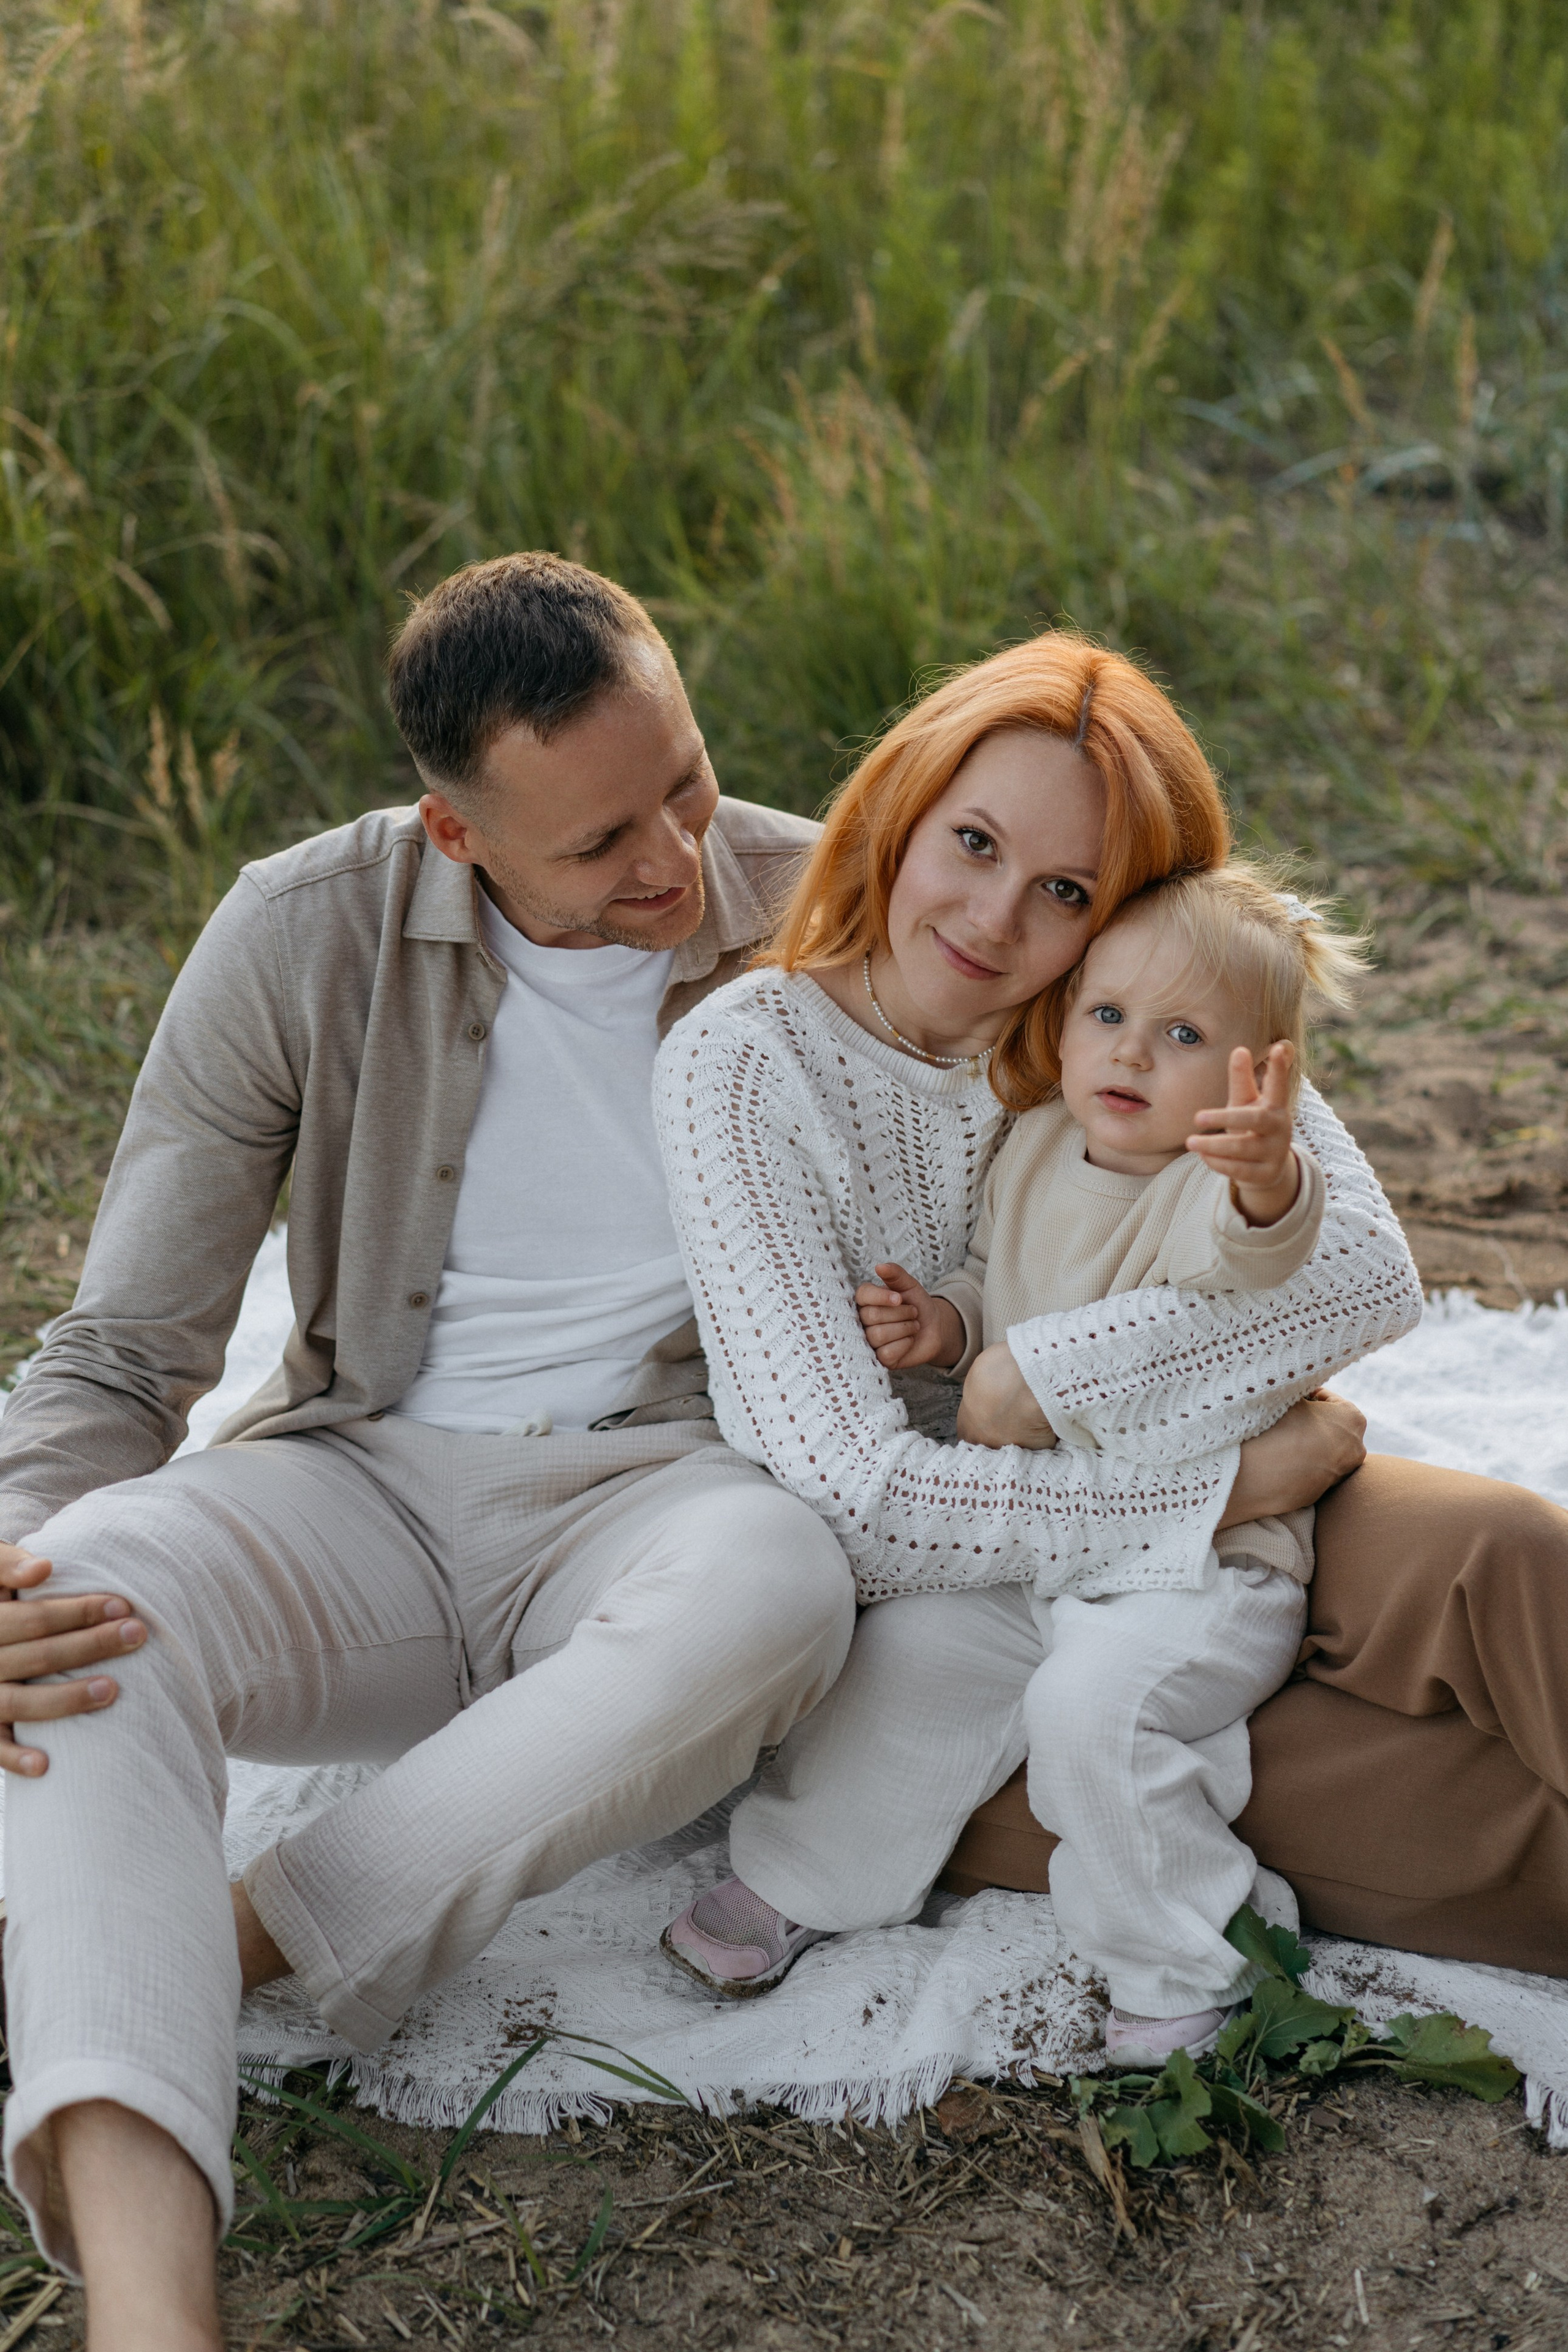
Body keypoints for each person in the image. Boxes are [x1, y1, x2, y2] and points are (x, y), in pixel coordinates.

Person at [0, 554, 861, 2351]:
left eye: (687, 782)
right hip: (362, 1486)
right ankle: (153, 2315)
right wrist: (6, 1560)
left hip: (665, 1499)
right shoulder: (299, 927)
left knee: (786, 1583)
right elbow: (127, 1345)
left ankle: (234, 1938)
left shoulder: (829, 915)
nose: (673, 863)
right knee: (75, 1605)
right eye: (600, 841)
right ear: (455, 837)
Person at [649, 629, 1568, 2005]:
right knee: (1133, 1745)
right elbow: (863, 1495)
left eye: (1063, 889)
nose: (993, 920)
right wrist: (1007, 1372)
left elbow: (1352, 1274)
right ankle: (1168, 1958)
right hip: (974, 1548)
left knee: (1496, 1550)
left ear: (1122, 913)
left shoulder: (1125, 1029)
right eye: (968, 842)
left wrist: (1039, 1369)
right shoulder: (765, 1059)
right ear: (903, 810)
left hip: (1192, 1523)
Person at [837, 865, 1367, 2067]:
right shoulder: (1033, 1147)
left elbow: (1259, 1258)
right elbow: (1005, 1280)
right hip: (1055, 1542)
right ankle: (805, 1874)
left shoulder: (1211, 1185)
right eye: (1107, 1016)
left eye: (1184, 1036)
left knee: (1094, 1712)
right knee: (906, 1657)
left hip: (1199, 1560)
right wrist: (952, 1326)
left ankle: (1191, 1954)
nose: (1130, 1057)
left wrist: (1268, 1174)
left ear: (1257, 1075)